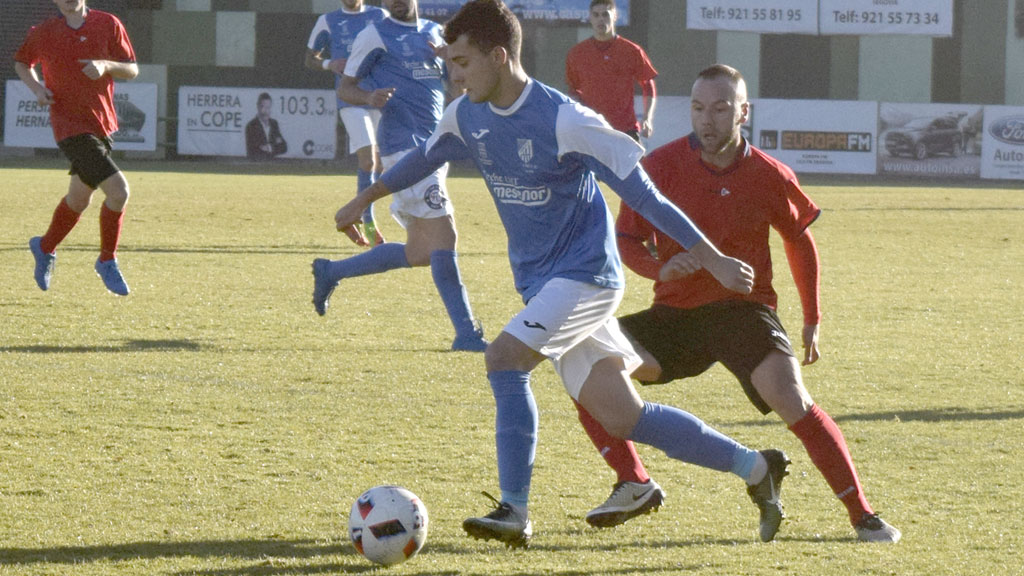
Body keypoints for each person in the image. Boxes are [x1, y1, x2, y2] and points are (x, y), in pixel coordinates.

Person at [334, 0, 791, 548]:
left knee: (503, 358)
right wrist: (367, 194)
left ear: (498, 56)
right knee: (623, 416)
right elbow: (426, 158)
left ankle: (514, 510)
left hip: (587, 278)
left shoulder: (564, 119)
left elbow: (645, 197)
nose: (452, 74)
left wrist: (712, 257)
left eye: (461, 62)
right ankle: (756, 469)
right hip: (543, 283)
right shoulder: (465, 114)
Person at [575, 64, 902, 544]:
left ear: (743, 112)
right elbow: (626, 239)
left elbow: (799, 241)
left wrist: (812, 317)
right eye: (698, 108)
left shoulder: (769, 174)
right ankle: (633, 483)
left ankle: (862, 515)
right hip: (675, 315)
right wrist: (659, 269)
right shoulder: (659, 166)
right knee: (583, 363)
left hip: (743, 312)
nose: (708, 120)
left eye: (721, 108)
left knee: (792, 398)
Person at [311, 0, 487, 353]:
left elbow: (457, 91)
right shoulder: (374, 34)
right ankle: (467, 334)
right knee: (445, 236)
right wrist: (369, 96)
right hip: (404, 150)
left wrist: (449, 59)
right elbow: (346, 88)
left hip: (435, 147)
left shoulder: (435, 34)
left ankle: (330, 271)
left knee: (421, 251)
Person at [18, 0, 138, 296]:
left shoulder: (108, 23)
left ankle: (44, 247)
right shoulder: (44, 32)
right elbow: (22, 62)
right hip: (69, 126)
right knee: (119, 192)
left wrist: (106, 65)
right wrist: (37, 89)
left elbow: (131, 69)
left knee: (78, 199)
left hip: (102, 125)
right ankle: (107, 260)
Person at [306, 0, 388, 245]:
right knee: (368, 160)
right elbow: (310, 58)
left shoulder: (380, 16)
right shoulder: (328, 20)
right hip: (350, 99)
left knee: (382, 164)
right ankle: (368, 220)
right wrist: (329, 63)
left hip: (379, 97)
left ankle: (360, 211)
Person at [565, 0, 656, 143]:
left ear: (615, 16)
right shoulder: (577, 54)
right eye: (596, 15)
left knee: (637, 166)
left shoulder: (631, 51)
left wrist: (647, 118)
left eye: (605, 15)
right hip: (591, 130)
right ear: (590, 18)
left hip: (625, 131)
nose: (601, 19)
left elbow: (648, 84)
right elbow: (573, 90)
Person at [245, 92, 288, 160]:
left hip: (271, 166)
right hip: (256, 166)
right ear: (258, 106)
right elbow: (253, 150)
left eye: (268, 107)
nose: (266, 111)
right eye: (263, 107)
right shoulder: (251, 126)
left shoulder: (274, 124)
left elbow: (283, 147)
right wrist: (274, 146)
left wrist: (268, 148)